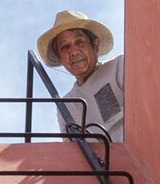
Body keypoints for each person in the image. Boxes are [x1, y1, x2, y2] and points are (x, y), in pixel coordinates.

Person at [36, 11, 121, 139]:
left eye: (79, 41)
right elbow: (73, 150)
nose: (74, 51)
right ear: (60, 58)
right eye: (65, 46)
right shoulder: (66, 107)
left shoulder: (119, 67)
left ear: (95, 45)